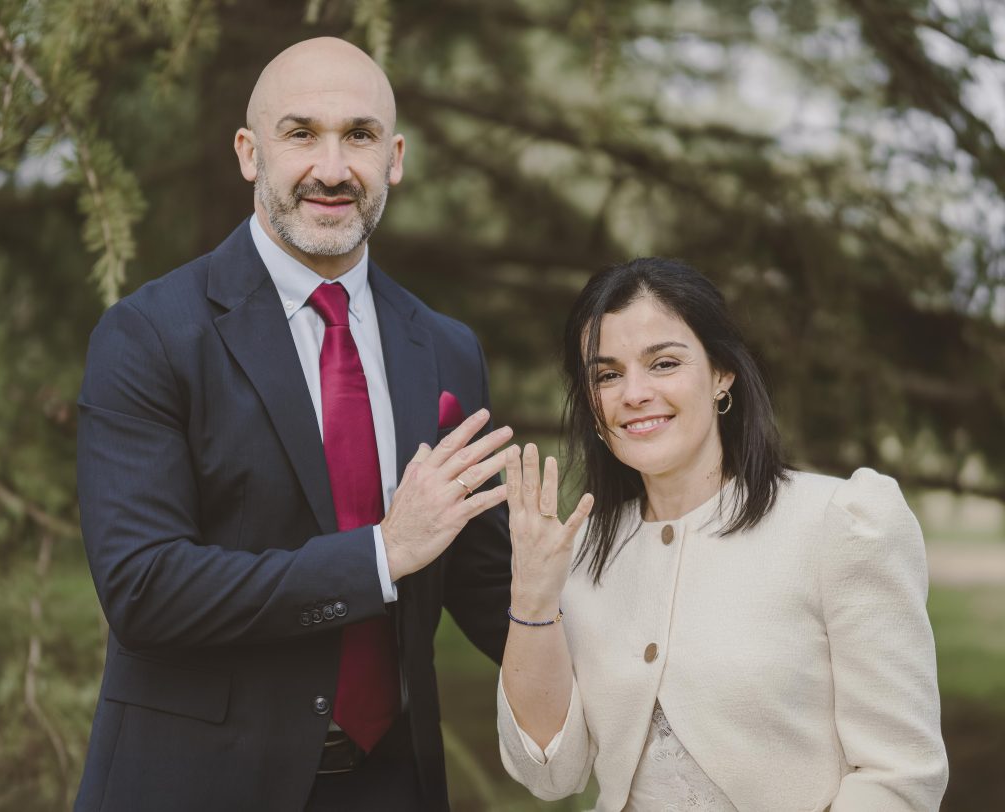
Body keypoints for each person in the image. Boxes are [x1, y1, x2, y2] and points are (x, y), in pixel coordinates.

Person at [74, 37, 514, 812]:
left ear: (397, 157)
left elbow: (485, 584)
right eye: (301, 133)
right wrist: (380, 554)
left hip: (393, 785)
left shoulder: (446, 349)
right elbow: (145, 591)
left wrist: (642, 652)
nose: (334, 168)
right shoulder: (149, 334)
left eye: (361, 136)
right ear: (250, 153)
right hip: (196, 784)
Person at [497, 257, 949, 811]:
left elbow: (899, 774)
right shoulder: (580, 550)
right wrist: (533, 598)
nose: (633, 393)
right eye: (607, 374)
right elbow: (549, 774)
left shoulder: (840, 522)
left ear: (721, 373)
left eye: (663, 363)